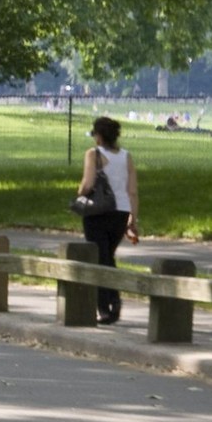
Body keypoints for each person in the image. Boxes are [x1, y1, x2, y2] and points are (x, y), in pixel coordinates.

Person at [75, 116, 139, 325]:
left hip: (98, 212)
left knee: (99, 258)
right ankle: (113, 300)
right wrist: (132, 220)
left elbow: (88, 183)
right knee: (108, 256)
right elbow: (132, 191)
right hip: (120, 212)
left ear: (99, 136)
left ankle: (105, 306)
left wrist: (79, 197)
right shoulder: (126, 157)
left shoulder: (93, 154)